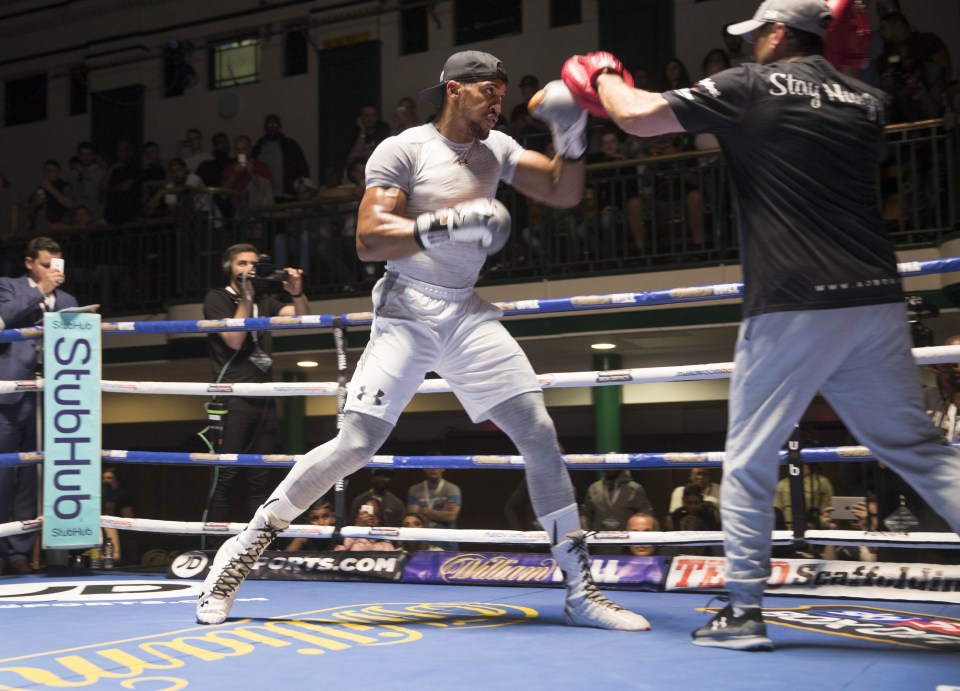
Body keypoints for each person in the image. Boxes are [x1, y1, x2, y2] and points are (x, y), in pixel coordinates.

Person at [197, 50, 650, 632]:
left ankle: (580, 590)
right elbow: (366, 239)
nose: (499, 102)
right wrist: (443, 224)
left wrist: (573, 135)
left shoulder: (500, 149)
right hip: (406, 308)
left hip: (465, 312)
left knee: (537, 430)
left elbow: (563, 192)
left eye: (504, 93)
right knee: (355, 444)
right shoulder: (404, 149)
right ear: (455, 90)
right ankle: (243, 550)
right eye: (489, 91)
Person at [562, 0, 960, 651]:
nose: (748, 48)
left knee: (748, 459)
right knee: (917, 447)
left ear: (778, 33)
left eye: (755, 38)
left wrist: (600, 72)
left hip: (794, 297)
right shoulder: (866, 98)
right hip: (875, 294)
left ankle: (744, 612)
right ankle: (743, 609)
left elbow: (637, 116)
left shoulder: (752, 83)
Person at [201, 243, 309, 532]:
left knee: (261, 478)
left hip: (264, 399)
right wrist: (246, 297)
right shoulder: (217, 298)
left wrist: (296, 291)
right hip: (232, 400)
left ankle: (257, 545)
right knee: (225, 476)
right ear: (230, 269)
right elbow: (234, 339)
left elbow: (300, 319)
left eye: (252, 263)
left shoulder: (266, 299)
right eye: (241, 263)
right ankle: (212, 548)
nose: (248, 268)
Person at [0, 237, 79, 575]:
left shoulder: (68, 300)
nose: (52, 271)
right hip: (9, 391)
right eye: (46, 264)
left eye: (56, 265)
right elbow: (4, 319)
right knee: (2, 475)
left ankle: (19, 552)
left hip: (53, 397)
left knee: (32, 478)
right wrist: (40, 290)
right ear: (30, 263)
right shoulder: (8, 287)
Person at [252, 114, 310, 202]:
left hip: (287, 195)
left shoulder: (290, 145)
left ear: (280, 126)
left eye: (274, 124)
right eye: (269, 125)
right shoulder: (257, 148)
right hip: (262, 196)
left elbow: (302, 168)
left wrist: (302, 191)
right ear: (265, 127)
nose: (272, 128)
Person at [407, 468, 461, 550]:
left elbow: (450, 517)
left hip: (446, 540)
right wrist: (441, 512)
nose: (433, 469)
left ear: (443, 468)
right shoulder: (414, 490)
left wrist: (423, 510)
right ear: (424, 468)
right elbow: (414, 518)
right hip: (423, 540)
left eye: (437, 465)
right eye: (429, 466)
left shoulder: (452, 489)